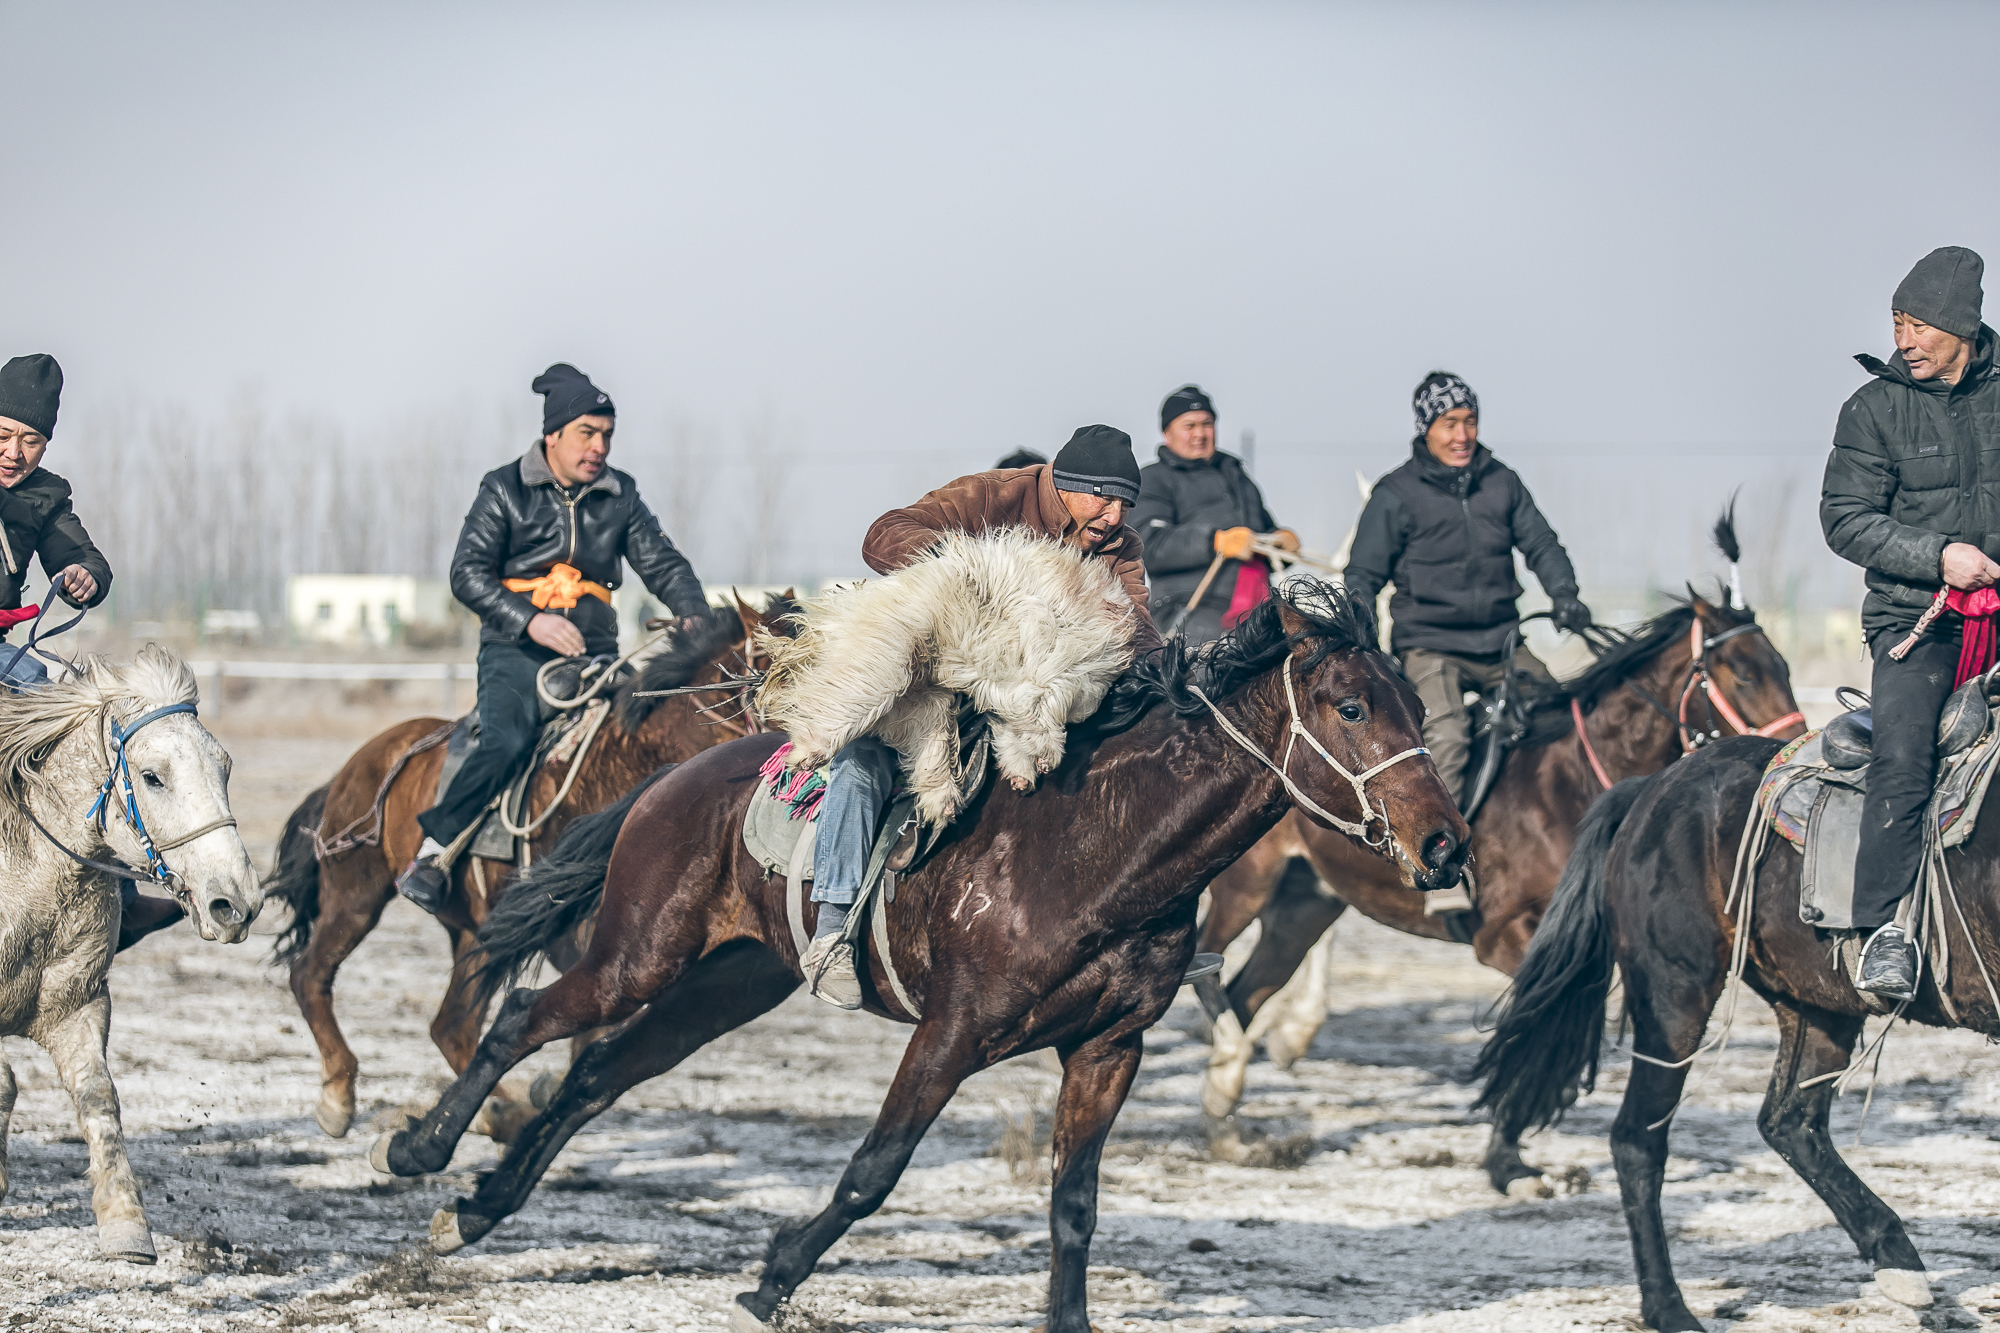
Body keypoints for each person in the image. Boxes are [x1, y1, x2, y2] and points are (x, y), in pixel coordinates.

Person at [800, 425, 1163, 1007]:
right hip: (932, 665)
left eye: (1125, 502)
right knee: (860, 760)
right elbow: (883, 536)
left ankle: (1131, 930)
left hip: (1025, 690)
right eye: (1102, 495)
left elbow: (1134, 625)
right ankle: (832, 927)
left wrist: (1159, 665)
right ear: (1066, 486)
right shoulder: (994, 496)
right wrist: (974, 576)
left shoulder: (1120, 546)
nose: (1114, 515)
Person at [394, 364, 710, 912]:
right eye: (588, 433)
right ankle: (434, 852)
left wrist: (695, 614)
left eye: (607, 435)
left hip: (598, 656)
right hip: (515, 652)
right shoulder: (504, 488)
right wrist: (530, 620)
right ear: (554, 435)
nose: (600, 446)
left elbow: (662, 564)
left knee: (652, 734)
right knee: (507, 740)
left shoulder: (621, 495)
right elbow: (466, 574)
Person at [1821, 245, 1998, 1000]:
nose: (1905, 340)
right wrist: (1940, 557)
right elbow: (1844, 518)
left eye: (1919, 325)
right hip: (1914, 624)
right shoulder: (1872, 410)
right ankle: (1884, 927)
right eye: (1898, 323)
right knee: (1904, 755)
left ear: (1962, 326)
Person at [1343, 372, 1588, 809]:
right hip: (1431, 647)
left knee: (1563, 720)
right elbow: (1362, 576)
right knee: (1447, 736)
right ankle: (1440, 860)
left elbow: (1541, 544)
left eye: (1470, 421)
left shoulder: (1502, 482)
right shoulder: (1395, 494)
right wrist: (1365, 641)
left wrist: (1565, 594)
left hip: (1503, 643)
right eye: (1449, 423)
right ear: (1426, 429)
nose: (1462, 435)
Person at [0, 355, 177, 948]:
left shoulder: (45, 498)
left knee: (84, 720)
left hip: (2, 648)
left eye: (32, 441)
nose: (14, 452)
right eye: (2, 435)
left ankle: (121, 901)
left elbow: (90, 560)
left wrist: (83, 575)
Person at [1133, 384, 1299, 645]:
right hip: (1190, 605)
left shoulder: (1237, 476)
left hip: (1258, 604)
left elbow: (1261, 534)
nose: (1200, 434)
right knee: (1209, 670)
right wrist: (1215, 542)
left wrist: (1282, 543)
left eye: (1207, 424)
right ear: (1167, 433)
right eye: (1190, 426)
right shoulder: (1154, 480)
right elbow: (1148, 545)